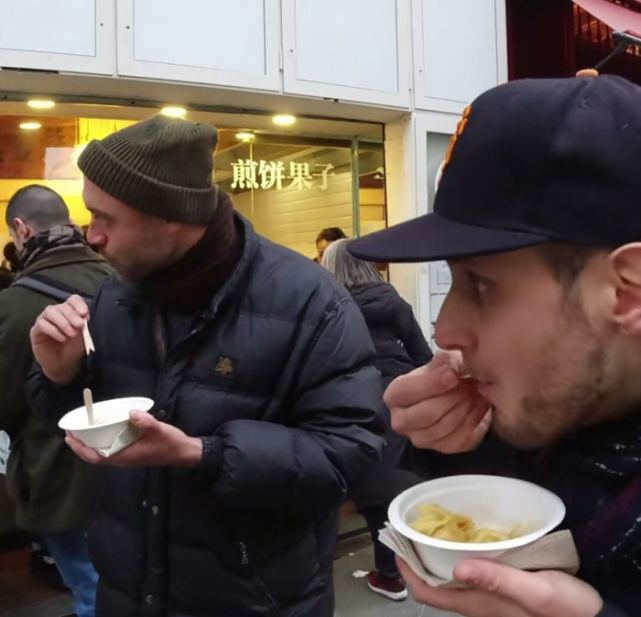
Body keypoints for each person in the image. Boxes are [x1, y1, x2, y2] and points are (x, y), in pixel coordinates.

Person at [25, 115, 384, 617]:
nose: (93, 236)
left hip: (256, 600)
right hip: (128, 595)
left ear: (170, 216)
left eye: (105, 217)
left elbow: (351, 453)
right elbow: (77, 421)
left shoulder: (310, 301)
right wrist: (58, 372)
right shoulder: (115, 295)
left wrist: (202, 453)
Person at [348, 74, 641, 617]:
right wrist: (458, 449)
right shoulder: (569, 402)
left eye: (482, 284)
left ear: (627, 292)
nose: (444, 329)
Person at [0, 184, 112, 617]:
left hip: (60, 481)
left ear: (20, 229)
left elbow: (5, 407)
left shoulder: (11, 307)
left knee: (91, 594)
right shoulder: (124, 280)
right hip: (139, 469)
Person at [322, 238, 432, 601]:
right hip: (398, 399)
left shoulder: (329, 306)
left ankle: (390, 576)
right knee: (396, 484)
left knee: (369, 493)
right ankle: (408, 567)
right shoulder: (391, 300)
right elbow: (423, 356)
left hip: (353, 401)